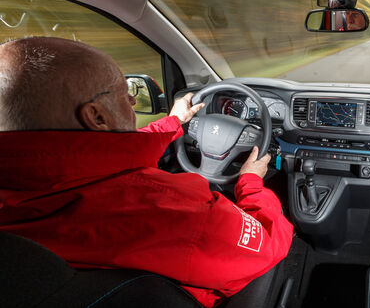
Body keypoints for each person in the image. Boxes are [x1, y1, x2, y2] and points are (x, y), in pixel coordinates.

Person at [0, 37, 294, 307]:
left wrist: (172, 123)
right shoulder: (176, 215)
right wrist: (251, 183)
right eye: (123, 91)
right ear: (97, 116)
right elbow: (266, 244)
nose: (131, 100)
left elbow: (94, 155)